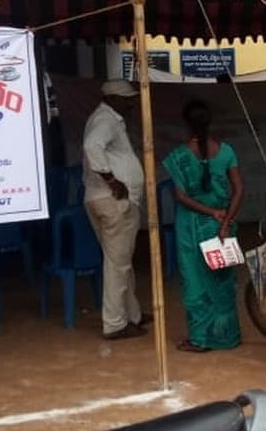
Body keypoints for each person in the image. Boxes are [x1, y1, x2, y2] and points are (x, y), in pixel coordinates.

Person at [163, 100, 243, 352]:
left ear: (186, 125)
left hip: (191, 227)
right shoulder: (227, 151)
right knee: (222, 280)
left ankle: (199, 339)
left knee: (195, 281)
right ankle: (227, 337)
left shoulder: (179, 156)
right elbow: (239, 189)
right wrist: (225, 219)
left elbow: (182, 197)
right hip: (221, 226)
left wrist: (210, 211)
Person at [82, 79, 148, 340]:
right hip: (113, 201)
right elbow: (91, 146)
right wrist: (112, 179)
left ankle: (133, 314)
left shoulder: (105, 118)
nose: (132, 103)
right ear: (113, 98)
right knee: (117, 264)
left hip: (102, 199)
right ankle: (115, 323)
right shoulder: (106, 120)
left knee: (120, 260)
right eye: (127, 98)